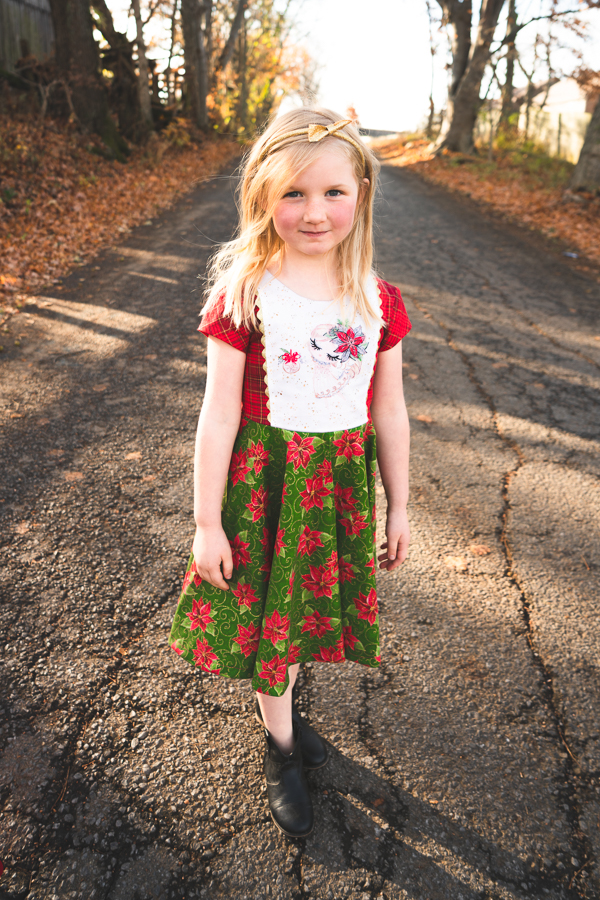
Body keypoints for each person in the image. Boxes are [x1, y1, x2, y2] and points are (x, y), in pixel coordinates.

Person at [169, 108, 411, 838]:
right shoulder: (244, 294)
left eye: (334, 193)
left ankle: (285, 707)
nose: (314, 212)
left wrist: (400, 506)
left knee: (303, 615)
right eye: (294, 194)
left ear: (362, 193)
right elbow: (217, 415)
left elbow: (390, 412)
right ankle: (280, 747)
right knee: (273, 614)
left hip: (337, 488)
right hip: (266, 487)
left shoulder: (377, 299)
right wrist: (207, 521)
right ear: (263, 196)